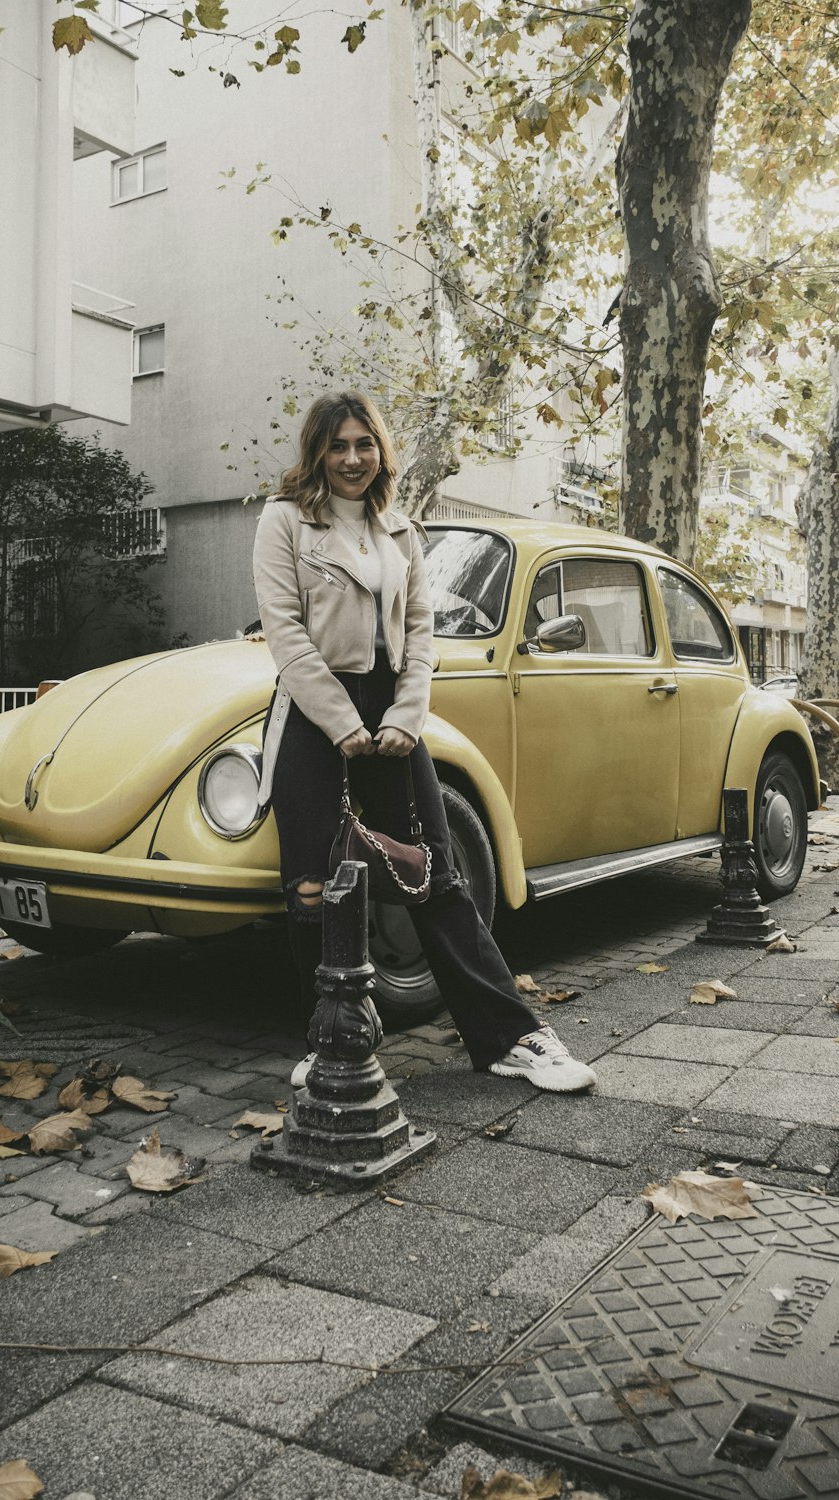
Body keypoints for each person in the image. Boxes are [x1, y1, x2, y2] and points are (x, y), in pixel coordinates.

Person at [252, 391, 596, 1094]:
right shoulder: (283, 521)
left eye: (364, 444)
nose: (352, 459)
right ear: (317, 451)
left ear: (381, 451)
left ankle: (512, 1038)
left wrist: (407, 716)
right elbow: (285, 635)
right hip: (313, 714)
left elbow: (420, 637)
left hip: (394, 714)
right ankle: (332, 1041)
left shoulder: (400, 531)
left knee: (434, 875)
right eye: (338, 445)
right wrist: (340, 722)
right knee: (314, 890)